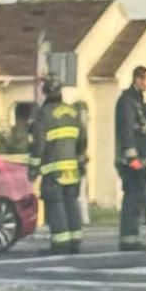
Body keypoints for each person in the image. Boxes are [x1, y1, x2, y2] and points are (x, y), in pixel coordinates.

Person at [29, 77, 88, 254]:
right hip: (73, 169)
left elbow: (38, 145)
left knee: (56, 206)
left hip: (53, 170)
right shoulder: (72, 112)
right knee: (71, 203)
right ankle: (75, 240)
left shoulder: (43, 114)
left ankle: (60, 244)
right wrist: (79, 160)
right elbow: (82, 140)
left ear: (46, 92)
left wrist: (33, 169)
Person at [114, 66, 146, 251]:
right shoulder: (127, 102)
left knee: (138, 198)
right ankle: (128, 240)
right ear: (137, 79)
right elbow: (126, 130)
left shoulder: (137, 101)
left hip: (141, 159)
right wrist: (133, 159)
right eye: (145, 80)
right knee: (132, 197)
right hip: (132, 160)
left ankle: (133, 237)